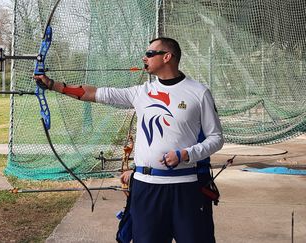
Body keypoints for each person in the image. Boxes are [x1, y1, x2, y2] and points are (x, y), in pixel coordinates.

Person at [34, 37, 224, 243]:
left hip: (185, 187)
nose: (145, 57)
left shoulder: (198, 92)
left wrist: (187, 154)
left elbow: (216, 138)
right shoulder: (141, 92)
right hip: (146, 187)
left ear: (167, 57)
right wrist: (53, 85)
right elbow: (95, 93)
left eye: (151, 54)